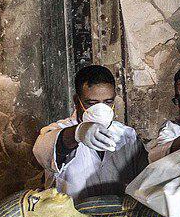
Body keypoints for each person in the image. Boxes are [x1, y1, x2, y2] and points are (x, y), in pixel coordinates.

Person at [32, 65, 146, 200]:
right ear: (77, 101)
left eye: (108, 102)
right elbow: (43, 149)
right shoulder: (58, 130)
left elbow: (144, 179)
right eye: (92, 103)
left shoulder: (127, 135)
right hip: (72, 212)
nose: (101, 109)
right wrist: (78, 133)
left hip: (117, 212)